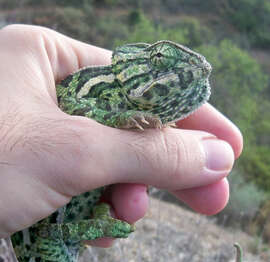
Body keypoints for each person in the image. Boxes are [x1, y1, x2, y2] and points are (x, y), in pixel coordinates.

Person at [0, 25, 243, 247]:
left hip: (60, 215)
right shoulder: (103, 85)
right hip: (42, 236)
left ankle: (94, 224)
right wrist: (118, 118)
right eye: (160, 59)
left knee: (120, 204)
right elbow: (70, 105)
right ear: (133, 65)